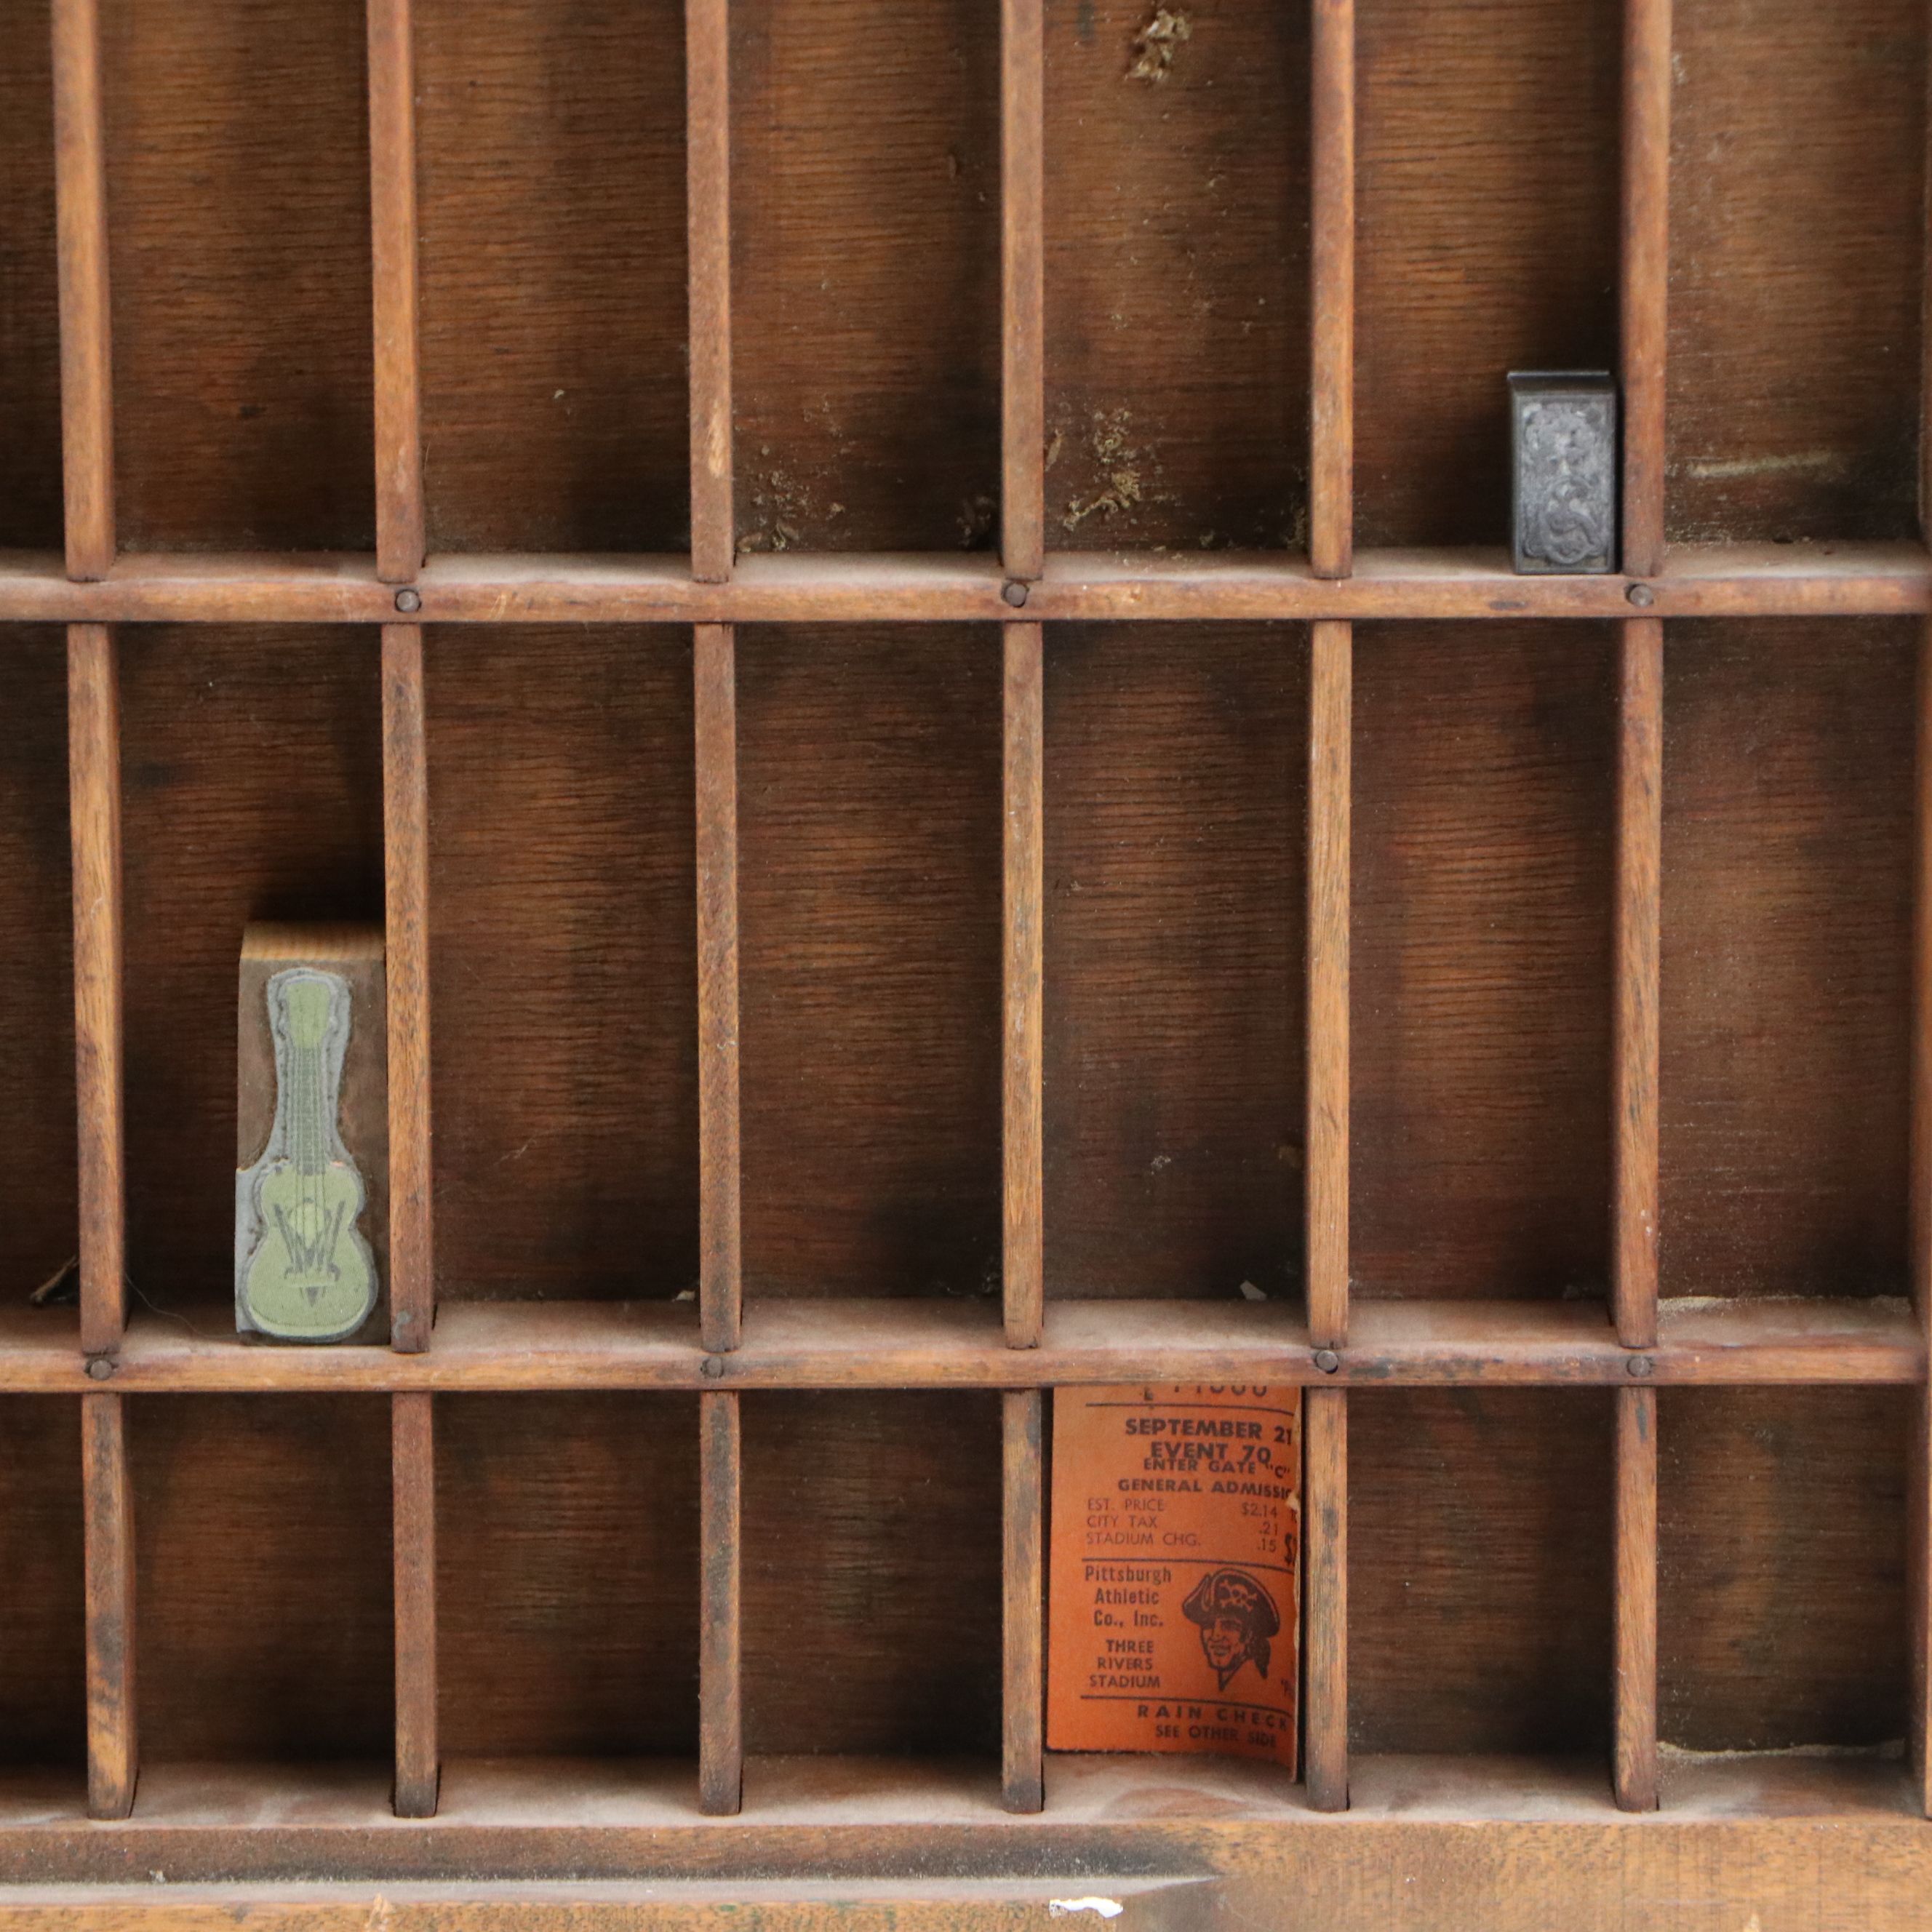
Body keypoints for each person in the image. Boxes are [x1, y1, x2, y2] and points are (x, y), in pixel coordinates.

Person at [1181, 1568, 1280, 1691]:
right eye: (1208, 1625)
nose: (1216, 1635)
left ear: (1250, 1636)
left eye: (1229, 1626)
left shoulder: (1257, 1687)